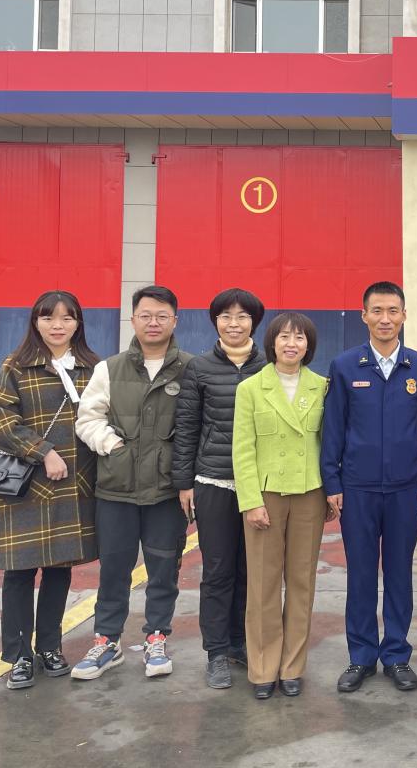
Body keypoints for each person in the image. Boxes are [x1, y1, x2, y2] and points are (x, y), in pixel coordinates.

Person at [322, 281, 417, 693]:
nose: (385, 319)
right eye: (377, 311)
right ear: (364, 316)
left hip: (406, 490)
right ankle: (361, 656)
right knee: (360, 575)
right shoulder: (345, 366)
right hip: (357, 489)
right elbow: (333, 429)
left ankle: (396, 655)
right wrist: (332, 482)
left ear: (404, 315)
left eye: (393, 311)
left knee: (399, 574)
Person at [72, 284, 192, 681]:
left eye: (161, 316)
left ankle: (156, 637)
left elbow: (200, 425)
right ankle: (107, 641)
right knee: (114, 569)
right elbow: (88, 418)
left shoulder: (191, 369)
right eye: (145, 315)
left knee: (163, 569)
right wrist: (114, 447)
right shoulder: (109, 368)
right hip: (116, 489)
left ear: (175, 321)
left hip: (166, 492)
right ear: (134, 319)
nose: (153, 322)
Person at [0, 291, 100, 690]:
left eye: (67, 318)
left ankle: (50, 646)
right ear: (35, 322)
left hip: (74, 484)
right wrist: (44, 451)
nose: (58, 325)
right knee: (19, 571)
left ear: (78, 323)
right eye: (49, 317)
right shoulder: (15, 367)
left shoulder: (92, 368)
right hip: (27, 485)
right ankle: (19, 655)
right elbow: (2, 425)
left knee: (58, 569)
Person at [232, 311, 331, 700]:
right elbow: (243, 450)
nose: (292, 344)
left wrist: (332, 493)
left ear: (309, 345)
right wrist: (250, 501)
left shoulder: (322, 387)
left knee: (302, 582)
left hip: (309, 493)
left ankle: (292, 667)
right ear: (271, 342)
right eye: (285, 337)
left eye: (300, 337)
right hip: (266, 496)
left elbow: (329, 444)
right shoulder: (251, 388)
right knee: (263, 584)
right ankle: (262, 668)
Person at [173, 288, 268, 690]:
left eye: (242, 316)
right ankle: (215, 652)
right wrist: (184, 482)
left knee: (251, 569)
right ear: (215, 321)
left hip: (260, 487)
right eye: (226, 316)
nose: (234, 324)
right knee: (217, 570)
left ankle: (240, 642)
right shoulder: (199, 368)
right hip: (214, 481)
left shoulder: (270, 365)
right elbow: (186, 428)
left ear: (254, 322)